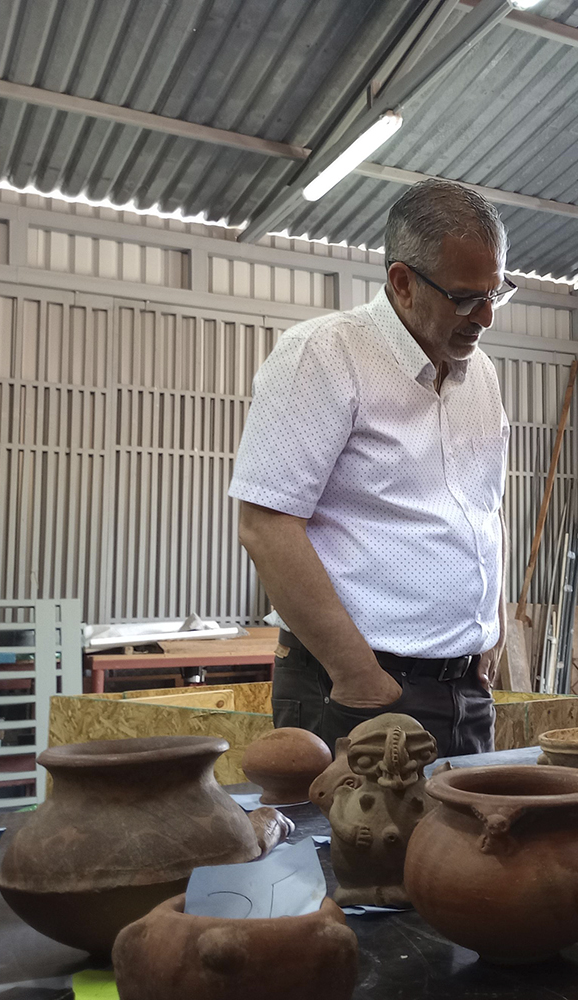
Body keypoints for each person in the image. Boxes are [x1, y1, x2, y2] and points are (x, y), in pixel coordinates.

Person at [230, 180, 515, 757]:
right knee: (356, 843)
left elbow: (483, 510)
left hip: (464, 689)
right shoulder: (325, 355)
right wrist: (357, 675)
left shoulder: (479, 373)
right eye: (465, 297)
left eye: (496, 292)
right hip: (359, 690)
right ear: (402, 282)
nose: (485, 317)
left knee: (467, 844)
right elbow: (266, 524)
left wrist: (493, 626)